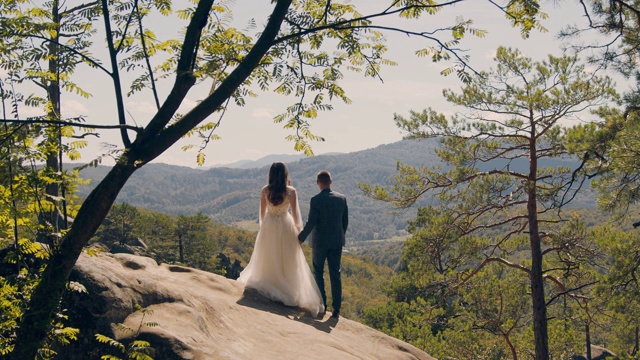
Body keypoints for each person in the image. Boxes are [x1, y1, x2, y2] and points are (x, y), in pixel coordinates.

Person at [237, 162, 324, 317]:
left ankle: (270, 282)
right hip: (285, 224)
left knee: (269, 255)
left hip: (270, 225)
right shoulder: (291, 191)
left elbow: (262, 215)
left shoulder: (265, 190)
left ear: (270, 174)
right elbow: (297, 215)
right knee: (288, 258)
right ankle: (287, 285)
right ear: (285, 174)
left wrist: (265, 229)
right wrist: (299, 232)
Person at [298, 170, 348, 318]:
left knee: (318, 273)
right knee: (335, 273)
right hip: (336, 241)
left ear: (318, 183)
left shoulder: (316, 200)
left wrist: (301, 237)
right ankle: (336, 309)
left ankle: (322, 305)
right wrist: (340, 235)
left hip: (319, 243)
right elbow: (345, 222)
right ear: (330, 182)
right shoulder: (342, 199)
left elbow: (311, 222)